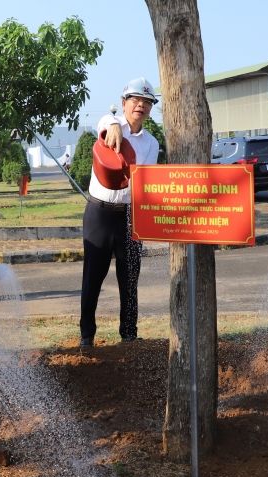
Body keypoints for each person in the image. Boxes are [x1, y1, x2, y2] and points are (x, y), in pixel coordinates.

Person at [79, 77, 160, 347]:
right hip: (99, 213)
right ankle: (87, 336)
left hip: (129, 215)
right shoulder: (110, 124)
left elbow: (144, 181)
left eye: (147, 102)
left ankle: (129, 334)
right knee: (93, 277)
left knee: (129, 277)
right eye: (136, 100)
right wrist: (113, 124)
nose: (141, 106)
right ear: (124, 103)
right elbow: (104, 121)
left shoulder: (150, 143)